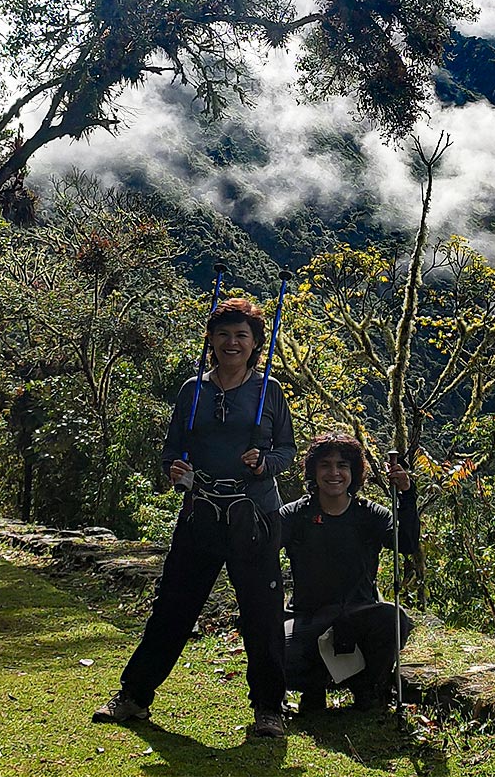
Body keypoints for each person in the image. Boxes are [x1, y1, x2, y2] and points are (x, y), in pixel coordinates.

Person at [94, 297, 297, 738]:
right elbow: (172, 449)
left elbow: (288, 451)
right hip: (200, 511)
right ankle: (134, 697)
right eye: (223, 333)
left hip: (255, 517)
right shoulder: (193, 391)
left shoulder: (270, 392)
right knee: (173, 608)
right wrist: (175, 470)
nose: (232, 342)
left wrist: (264, 463)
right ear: (210, 339)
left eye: (242, 335)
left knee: (262, 615)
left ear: (256, 342)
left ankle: (269, 708)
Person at [277, 433, 418, 714]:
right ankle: (312, 690)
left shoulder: (370, 515)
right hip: (307, 615)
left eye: (342, 465)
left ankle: (369, 688)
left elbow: (407, 544)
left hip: (358, 614)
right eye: (325, 465)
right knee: (279, 648)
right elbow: (261, 554)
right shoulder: (294, 515)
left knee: (394, 620)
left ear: (354, 472)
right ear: (313, 471)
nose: (334, 473)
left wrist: (406, 494)